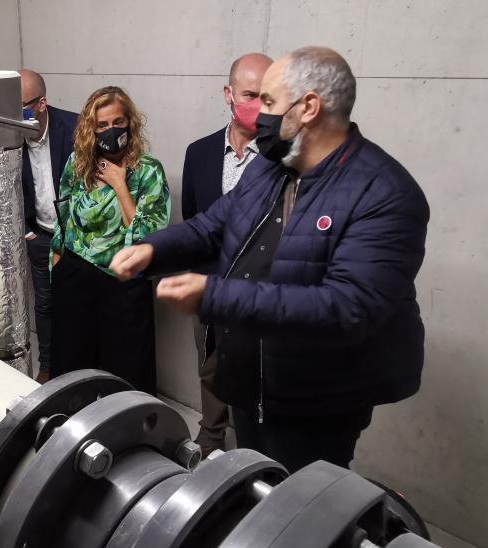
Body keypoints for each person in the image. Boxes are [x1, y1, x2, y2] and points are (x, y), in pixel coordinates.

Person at [110, 47, 429, 473]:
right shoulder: (269, 168)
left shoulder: (384, 193)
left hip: (317, 401)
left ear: (309, 108)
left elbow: (347, 308)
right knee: (254, 484)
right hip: (249, 379)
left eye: (269, 102)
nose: (258, 113)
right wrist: (154, 249)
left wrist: (215, 296)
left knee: (298, 507)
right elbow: (212, 226)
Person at [180, 53, 273, 455]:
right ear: (228, 94)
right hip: (210, 286)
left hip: (263, 293)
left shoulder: (285, 158)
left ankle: (258, 450)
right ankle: (211, 437)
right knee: (210, 366)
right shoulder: (198, 153)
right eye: (249, 94)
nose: (257, 104)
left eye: (266, 96)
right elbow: (192, 219)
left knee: (262, 375)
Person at [51, 86, 170, 393]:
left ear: (130, 123)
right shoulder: (78, 164)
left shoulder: (148, 171)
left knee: (127, 371)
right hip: (75, 278)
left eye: (117, 122)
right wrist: (57, 264)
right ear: (91, 129)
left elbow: (147, 237)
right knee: (72, 366)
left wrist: (119, 184)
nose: (110, 130)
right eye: (102, 125)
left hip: (123, 283)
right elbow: (63, 217)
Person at [18, 69, 78, 383]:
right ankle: (49, 368)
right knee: (45, 306)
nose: (17, 115)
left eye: (24, 106)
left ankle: (81, 370)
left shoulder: (75, 128)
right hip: (40, 236)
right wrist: (28, 232)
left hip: (77, 240)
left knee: (78, 305)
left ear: (42, 104)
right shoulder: (9, 134)